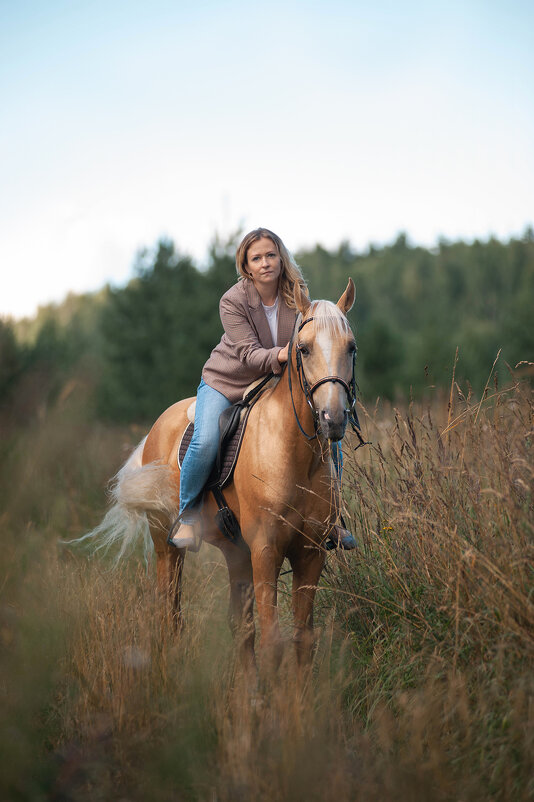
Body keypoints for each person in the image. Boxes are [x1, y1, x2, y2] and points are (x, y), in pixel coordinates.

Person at [168, 227, 355, 550]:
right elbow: (247, 354)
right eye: (257, 258)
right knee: (207, 437)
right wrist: (285, 353)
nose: (265, 263)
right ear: (246, 266)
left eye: (271, 255)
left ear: (281, 260)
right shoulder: (232, 300)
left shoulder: (297, 295)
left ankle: (332, 518)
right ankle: (187, 515)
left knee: (327, 431)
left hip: (273, 381)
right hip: (228, 381)